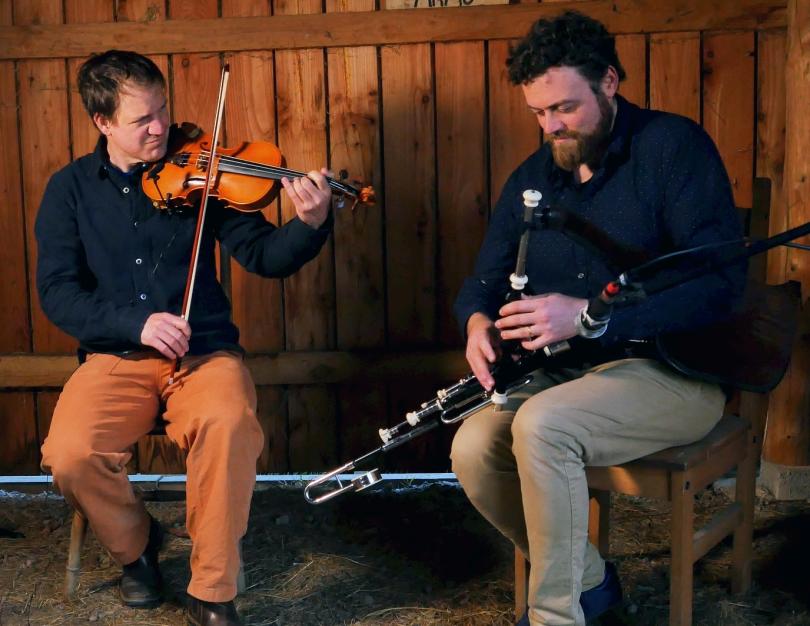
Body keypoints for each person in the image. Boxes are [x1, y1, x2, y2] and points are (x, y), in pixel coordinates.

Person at [450, 12, 746, 626]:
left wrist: (590, 316)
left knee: (542, 426)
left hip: (676, 372)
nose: (551, 126)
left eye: (564, 108)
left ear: (609, 82)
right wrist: (476, 323)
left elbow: (720, 285)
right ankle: (590, 580)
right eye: (537, 113)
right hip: (569, 379)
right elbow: (483, 277)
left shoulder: (673, 147)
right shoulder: (536, 175)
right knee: (474, 447)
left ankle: (556, 617)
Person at [36, 50, 333, 626]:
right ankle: (137, 545)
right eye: (142, 119)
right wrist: (135, 323)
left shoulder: (204, 173)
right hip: (117, 355)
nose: (160, 128)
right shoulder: (69, 190)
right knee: (70, 454)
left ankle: (212, 591)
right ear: (102, 123)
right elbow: (58, 294)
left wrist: (310, 224)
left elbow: (265, 256)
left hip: (204, 355)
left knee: (229, 424)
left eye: (163, 110)